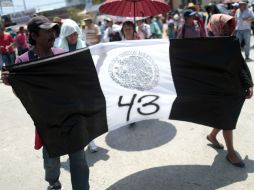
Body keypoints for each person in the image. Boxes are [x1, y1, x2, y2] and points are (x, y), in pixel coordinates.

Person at [1, 16, 90, 190]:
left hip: (71, 116)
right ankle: (53, 182)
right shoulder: (23, 61)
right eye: (46, 31)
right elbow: (24, 96)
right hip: (47, 121)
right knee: (51, 158)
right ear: (34, 35)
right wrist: (14, 83)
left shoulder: (61, 54)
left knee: (78, 158)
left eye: (53, 30)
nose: (52, 34)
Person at [207, 13, 253, 168]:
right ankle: (231, 153)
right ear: (215, 26)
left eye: (228, 24)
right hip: (220, 89)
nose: (227, 27)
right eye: (224, 24)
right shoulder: (207, 46)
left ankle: (212, 135)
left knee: (228, 116)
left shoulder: (233, 41)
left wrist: (248, 84)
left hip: (235, 87)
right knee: (228, 119)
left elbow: (240, 64)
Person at [58, 18, 99, 153]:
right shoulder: (58, 50)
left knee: (87, 114)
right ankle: (78, 142)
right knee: (74, 117)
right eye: (70, 34)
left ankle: (91, 141)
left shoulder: (83, 46)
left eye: (75, 34)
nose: (73, 37)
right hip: (67, 89)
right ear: (65, 35)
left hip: (82, 87)